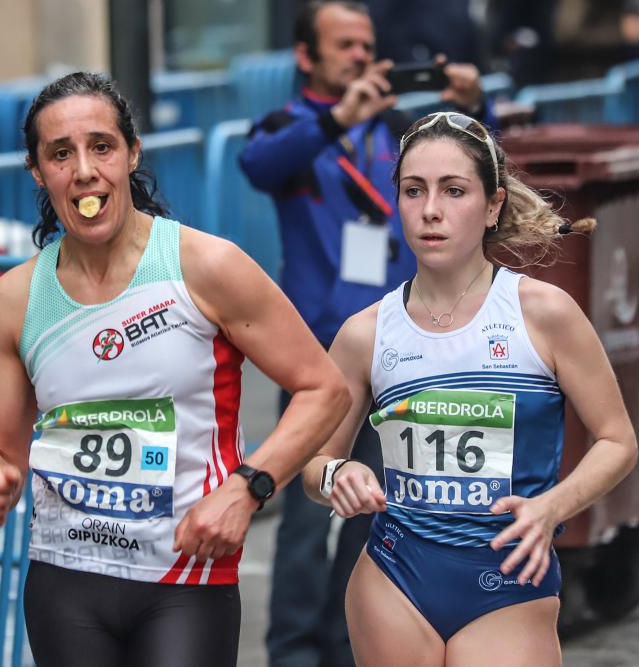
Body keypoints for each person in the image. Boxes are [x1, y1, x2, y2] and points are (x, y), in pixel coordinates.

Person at [0, 71, 350, 667]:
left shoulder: (205, 267)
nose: (85, 170)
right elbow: (0, 445)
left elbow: (324, 389)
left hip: (185, 576)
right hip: (66, 578)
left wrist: (247, 489)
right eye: (61, 154)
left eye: (101, 146)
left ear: (131, 153)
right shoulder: (15, 298)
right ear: (38, 172)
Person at [302, 111, 638, 666]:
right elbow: (314, 463)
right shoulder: (366, 332)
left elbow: (618, 441)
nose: (431, 209)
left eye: (453, 191)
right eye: (414, 191)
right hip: (393, 577)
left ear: (492, 205)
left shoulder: (543, 313)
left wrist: (553, 507)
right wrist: (339, 474)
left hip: (509, 577)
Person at [238, 3, 496, 665]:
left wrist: (477, 106)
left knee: (375, 507)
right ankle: (293, 649)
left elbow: (472, 174)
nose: (361, 55)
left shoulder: (394, 132)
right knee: (304, 512)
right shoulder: (295, 126)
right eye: (344, 45)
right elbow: (259, 163)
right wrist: (338, 118)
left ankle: (344, 644)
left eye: (367, 44)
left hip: (396, 348)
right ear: (305, 56)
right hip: (316, 358)